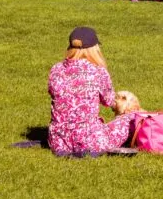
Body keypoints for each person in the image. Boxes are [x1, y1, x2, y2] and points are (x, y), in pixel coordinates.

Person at [47, 27, 136, 156]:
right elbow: (109, 101)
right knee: (130, 118)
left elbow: (53, 94)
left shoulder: (56, 69)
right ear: (94, 49)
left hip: (58, 141)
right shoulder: (98, 71)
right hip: (90, 142)